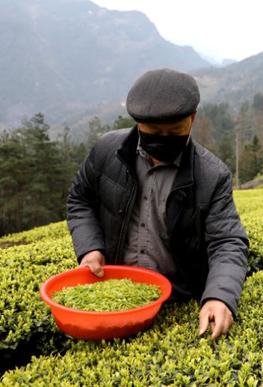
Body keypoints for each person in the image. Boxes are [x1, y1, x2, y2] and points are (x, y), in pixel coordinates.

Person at [67, 68, 249, 340]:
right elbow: (80, 199)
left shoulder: (212, 175)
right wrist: (90, 249)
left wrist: (219, 296)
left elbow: (228, 241)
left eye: (175, 131)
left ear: (192, 119)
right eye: (153, 131)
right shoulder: (107, 152)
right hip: (116, 293)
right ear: (138, 123)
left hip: (176, 299)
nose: (163, 139)